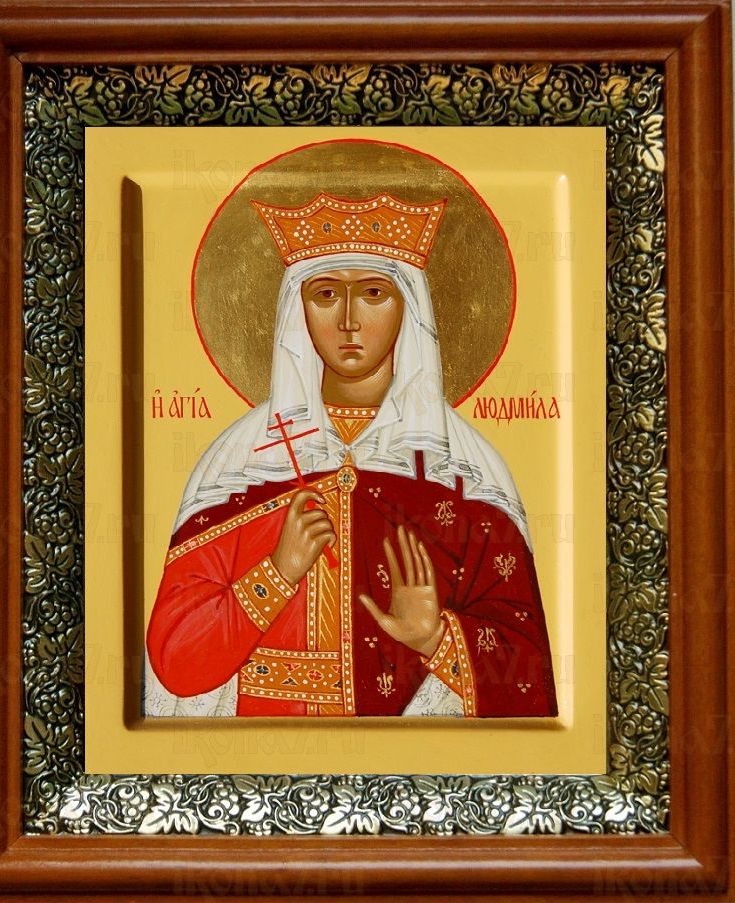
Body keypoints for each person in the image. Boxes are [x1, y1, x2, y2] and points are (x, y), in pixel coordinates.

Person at [144, 192, 557, 718]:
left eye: (373, 293)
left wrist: (435, 638)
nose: (348, 321)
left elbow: (530, 682)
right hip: (259, 749)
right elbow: (175, 661)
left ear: (409, 306)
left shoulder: (463, 471)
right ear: (297, 308)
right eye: (325, 294)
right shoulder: (241, 463)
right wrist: (276, 574)